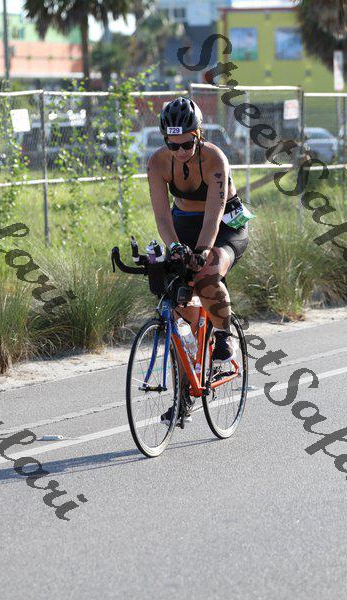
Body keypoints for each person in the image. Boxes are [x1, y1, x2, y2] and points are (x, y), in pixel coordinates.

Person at [146, 96, 250, 425]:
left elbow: (214, 216)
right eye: (172, 144)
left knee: (206, 273)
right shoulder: (158, 163)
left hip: (226, 226)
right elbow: (162, 217)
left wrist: (203, 250)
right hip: (184, 225)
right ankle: (184, 396)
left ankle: (224, 336)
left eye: (186, 144)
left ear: (199, 134)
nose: (179, 151)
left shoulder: (214, 158)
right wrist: (175, 247)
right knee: (178, 305)